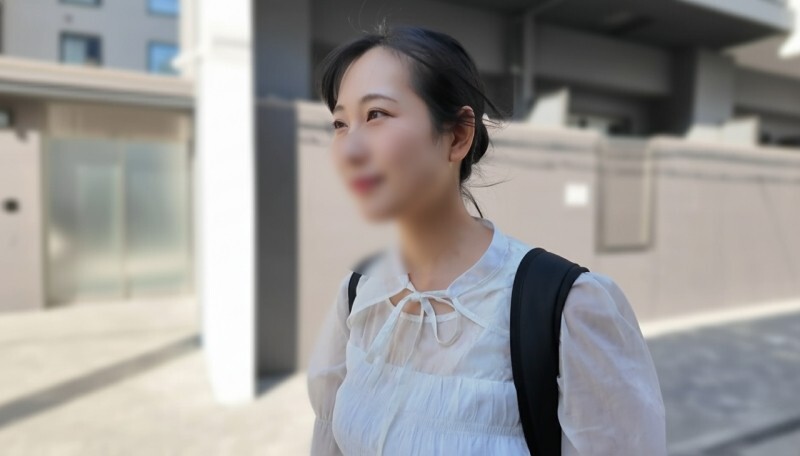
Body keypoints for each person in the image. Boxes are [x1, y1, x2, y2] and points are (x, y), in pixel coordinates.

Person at [306, 23, 667, 456]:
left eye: (376, 115)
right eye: (340, 123)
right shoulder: (360, 294)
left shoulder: (566, 310)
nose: (348, 149)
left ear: (458, 135)